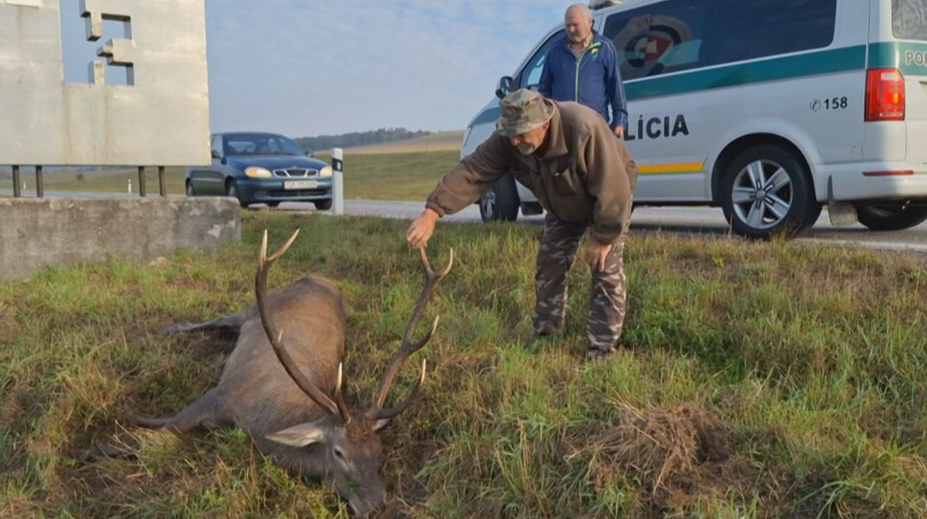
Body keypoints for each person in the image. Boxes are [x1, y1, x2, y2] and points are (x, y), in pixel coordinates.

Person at [405, 89, 639, 360]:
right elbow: (473, 171)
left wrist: (603, 237)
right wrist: (433, 211)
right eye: (510, 134)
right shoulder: (509, 140)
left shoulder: (583, 128)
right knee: (549, 264)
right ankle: (546, 337)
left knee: (604, 267)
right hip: (563, 205)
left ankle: (602, 350)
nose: (514, 141)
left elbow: (614, 186)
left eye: (521, 134)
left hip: (609, 196)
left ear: (544, 123)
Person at [539, 3, 628, 138]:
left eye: (575, 24)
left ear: (590, 23)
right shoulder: (554, 51)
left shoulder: (605, 47)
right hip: (562, 132)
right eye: (568, 25)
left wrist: (620, 121)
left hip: (595, 129)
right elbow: (544, 91)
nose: (571, 29)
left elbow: (616, 88)